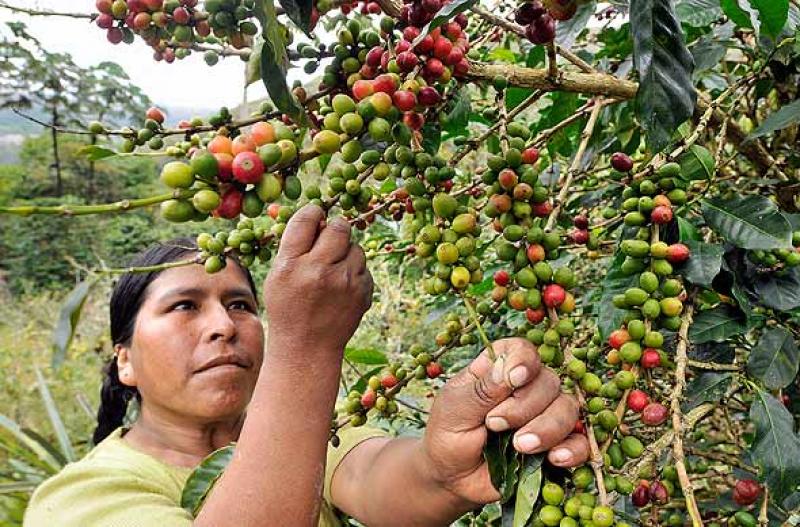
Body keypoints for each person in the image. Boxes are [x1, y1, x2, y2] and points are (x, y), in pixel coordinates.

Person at [25, 205, 589, 527]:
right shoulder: (75, 499)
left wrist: (446, 469)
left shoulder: (300, 437)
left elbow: (373, 477)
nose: (223, 325)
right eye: (184, 306)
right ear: (124, 360)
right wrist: (307, 348)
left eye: (241, 305)